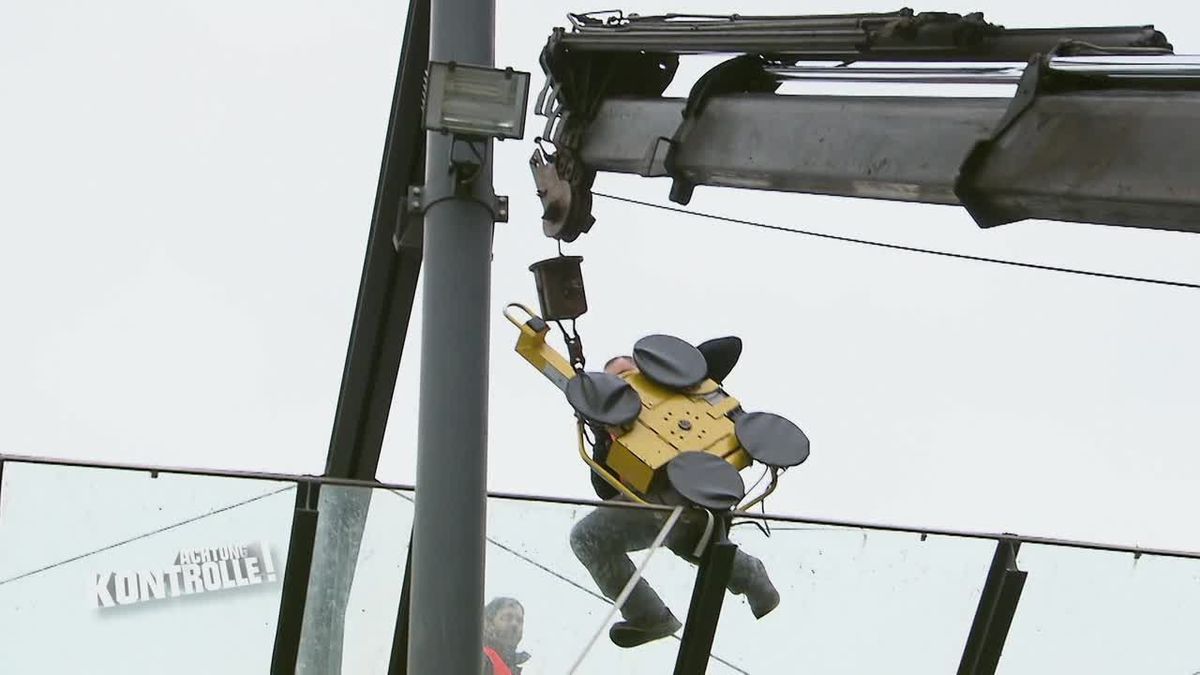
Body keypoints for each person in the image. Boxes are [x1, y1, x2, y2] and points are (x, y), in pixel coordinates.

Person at [569, 337, 780, 649]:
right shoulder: (615, 432)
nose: (625, 388)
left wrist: (678, 371)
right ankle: (649, 615)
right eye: (615, 383)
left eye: (630, 377)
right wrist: (601, 433)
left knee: (683, 534)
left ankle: (749, 575)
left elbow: (730, 347)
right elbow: (604, 489)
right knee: (589, 537)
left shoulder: (681, 396)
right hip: (655, 499)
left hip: (701, 480)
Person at [482, 596, 530, 675]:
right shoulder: (480, 657)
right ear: (489, 623)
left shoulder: (515, 666)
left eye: (519, 620)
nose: (515, 624)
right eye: (507, 617)